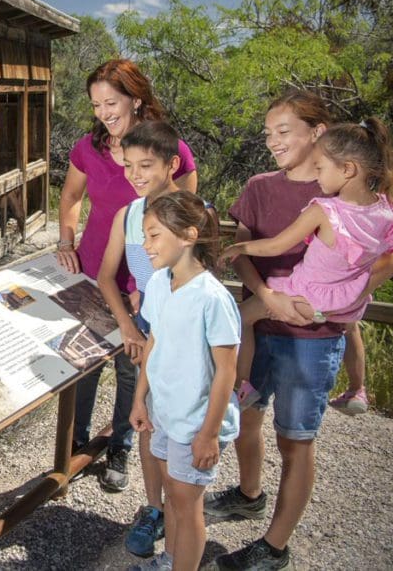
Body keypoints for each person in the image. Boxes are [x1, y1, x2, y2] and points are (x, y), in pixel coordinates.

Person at [204, 90, 393, 570]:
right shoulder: (259, 187)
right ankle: (249, 494)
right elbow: (249, 249)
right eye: (268, 133)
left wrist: (341, 302)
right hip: (262, 317)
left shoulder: (353, 196)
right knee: (247, 417)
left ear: (318, 133)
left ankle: (274, 546)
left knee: (295, 438)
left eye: (284, 131)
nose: (273, 141)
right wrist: (270, 298)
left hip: (312, 340)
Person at [57, 59, 197, 493]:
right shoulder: (89, 147)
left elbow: (180, 216)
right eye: (96, 103)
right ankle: (75, 444)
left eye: (111, 101)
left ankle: (118, 446)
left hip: (144, 281)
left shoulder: (167, 148)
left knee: (130, 366)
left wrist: (153, 281)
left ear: (136, 99)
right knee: (83, 363)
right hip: (93, 268)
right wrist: (66, 241)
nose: (103, 111)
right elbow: (71, 195)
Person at [222, 118, 393, 408]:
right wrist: (351, 291)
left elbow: (276, 245)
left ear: (347, 169)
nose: (317, 176)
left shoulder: (324, 210)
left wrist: (239, 246)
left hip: (304, 292)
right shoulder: (387, 211)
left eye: (320, 168)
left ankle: (242, 386)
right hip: (346, 302)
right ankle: (357, 389)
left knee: (239, 316)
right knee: (351, 327)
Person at [128, 191, 241, 571]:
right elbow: (153, 341)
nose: (145, 246)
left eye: (154, 235)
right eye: (145, 235)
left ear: (189, 235)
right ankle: (170, 560)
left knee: (186, 502)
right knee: (173, 495)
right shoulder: (160, 283)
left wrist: (208, 434)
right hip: (164, 410)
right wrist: (140, 399)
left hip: (195, 420)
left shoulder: (213, 298)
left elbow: (227, 370)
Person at [96, 120, 184, 556]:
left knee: (179, 424)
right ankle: (154, 508)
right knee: (146, 418)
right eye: (128, 164)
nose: (134, 173)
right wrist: (128, 326)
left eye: (145, 164)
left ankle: (183, 513)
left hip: (182, 335)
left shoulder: (193, 214)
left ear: (171, 164)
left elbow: (200, 282)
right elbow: (106, 276)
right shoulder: (128, 215)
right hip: (144, 329)